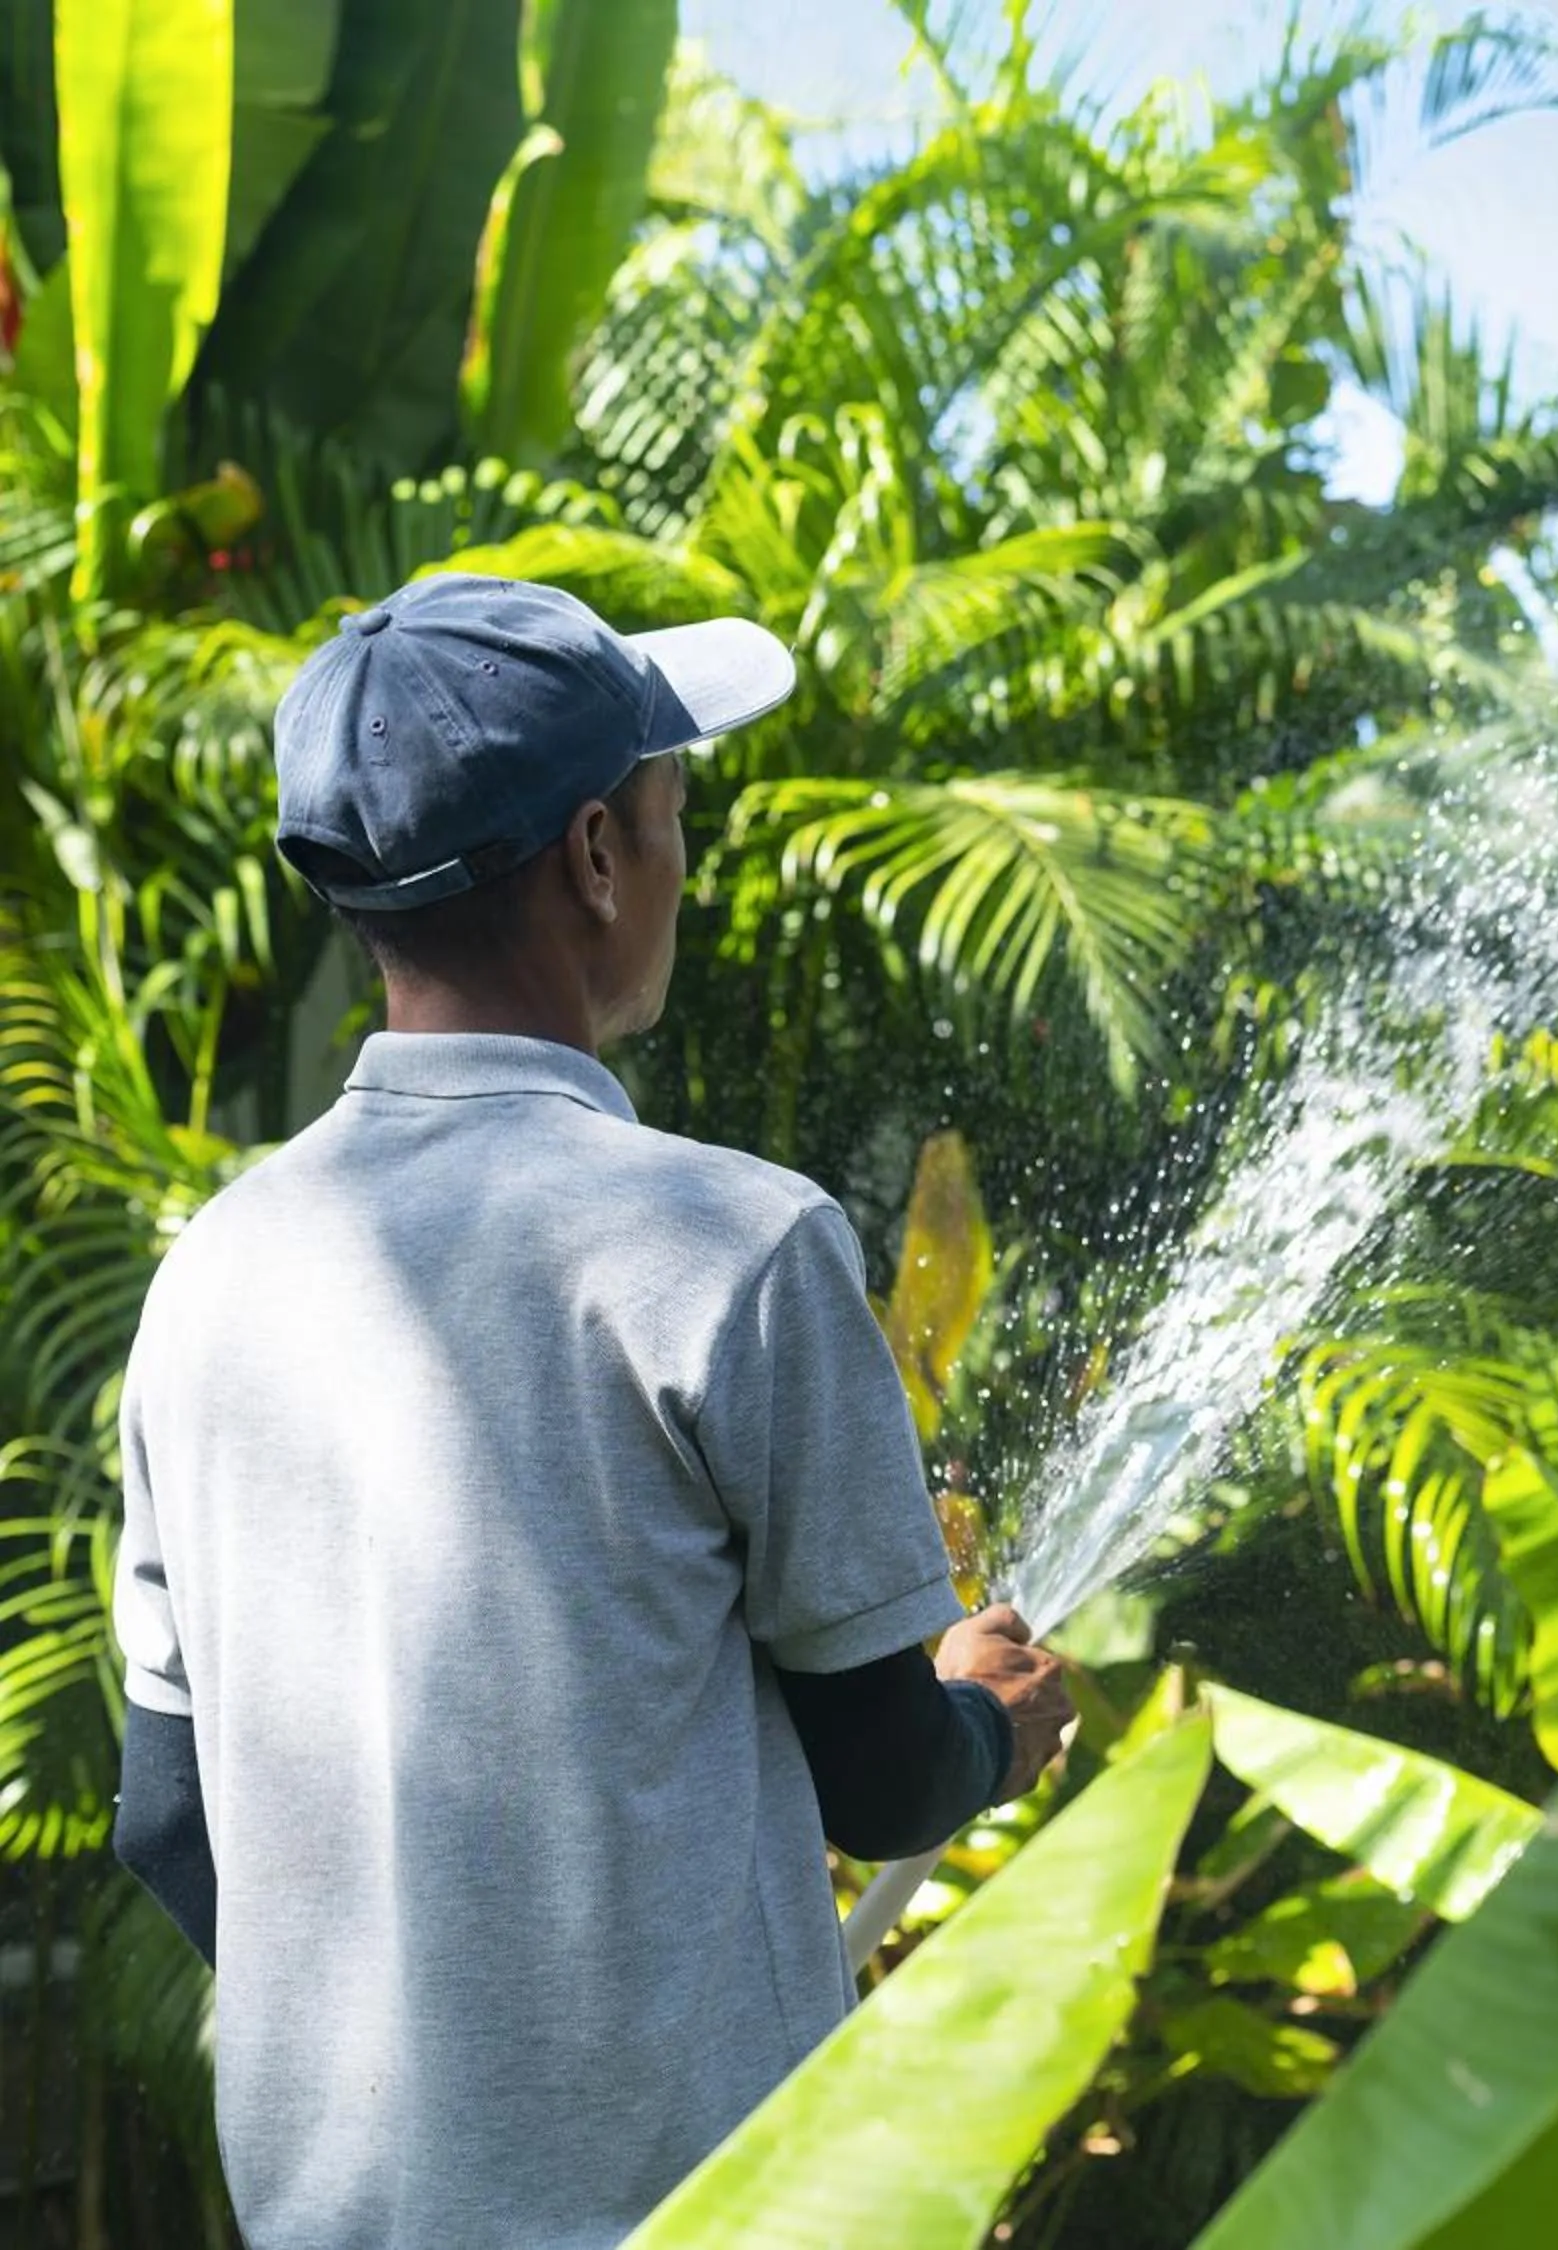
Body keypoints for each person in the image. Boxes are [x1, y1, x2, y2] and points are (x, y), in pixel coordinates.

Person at [107, 574, 1074, 2249]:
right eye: (671, 815)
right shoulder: (737, 1244)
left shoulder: (209, 1280)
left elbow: (169, 1817)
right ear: (597, 855)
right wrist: (988, 1718)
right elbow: (884, 1779)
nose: (678, 861)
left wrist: (436, 2062)